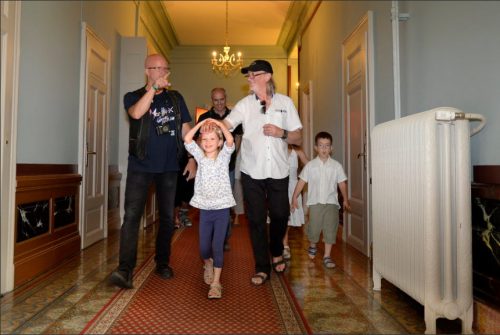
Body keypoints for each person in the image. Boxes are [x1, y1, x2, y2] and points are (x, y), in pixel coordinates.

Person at [109, 54, 196, 289]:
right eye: (157, 68)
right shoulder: (133, 96)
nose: (163, 72)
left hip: (169, 168)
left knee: (168, 218)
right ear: (148, 71)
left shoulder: (176, 99)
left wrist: (192, 158)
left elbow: (186, 131)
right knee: (131, 218)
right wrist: (153, 89)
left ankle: (162, 262)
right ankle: (124, 270)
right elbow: (137, 114)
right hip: (140, 167)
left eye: (165, 68)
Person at [223, 60, 303, 285]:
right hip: (251, 172)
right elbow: (228, 123)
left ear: (266, 76)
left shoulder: (285, 102)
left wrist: (281, 132)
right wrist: (214, 127)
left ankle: (276, 248)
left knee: (280, 214)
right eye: (247, 75)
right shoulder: (244, 104)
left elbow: (298, 137)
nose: (248, 78)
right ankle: (261, 266)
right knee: (256, 220)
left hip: (278, 171)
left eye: (252, 74)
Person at [184, 118, 235, 299]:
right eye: (204, 139)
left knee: (217, 245)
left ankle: (216, 283)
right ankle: (207, 263)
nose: (207, 143)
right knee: (204, 248)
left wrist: (219, 125)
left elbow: (230, 141)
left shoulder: (224, 157)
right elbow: (188, 139)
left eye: (212, 139)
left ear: (219, 142)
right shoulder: (199, 157)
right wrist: (201, 125)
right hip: (205, 210)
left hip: (222, 209)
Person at [291, 131, 351, 269]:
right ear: (316, 148)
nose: (324, 149)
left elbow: (342, 183)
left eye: (327, 146)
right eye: (321, 145)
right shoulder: (310, 166)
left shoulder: (336, 166)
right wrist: (294, 197)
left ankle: (327, 256)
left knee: (330, 229)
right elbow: (301, 182)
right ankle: (313, 245)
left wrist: (346, 199)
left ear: (331, 148)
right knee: (314, 228)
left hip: (331, 204)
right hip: (315, 203)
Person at [197, 88, 243, 250]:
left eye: (221, 99)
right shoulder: (204, 118)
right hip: (207, 168)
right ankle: (208, 237)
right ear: (212, 100)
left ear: (225, 98)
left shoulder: (234, 117)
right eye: (215, 100)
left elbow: (237, 138)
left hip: (227, 167)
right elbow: (197, 140)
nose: (219, 103)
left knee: (225, 203)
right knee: (207, 201)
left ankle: (223, 238)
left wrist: (230, 155)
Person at [283, 145, 309, 260]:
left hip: (293, 187)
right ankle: (284, 244)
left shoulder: (297, 151)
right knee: (280, 216)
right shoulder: (276, 147)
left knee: (289, 217)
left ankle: (284, 244)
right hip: (278, 186)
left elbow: (310, 166)